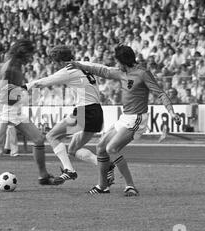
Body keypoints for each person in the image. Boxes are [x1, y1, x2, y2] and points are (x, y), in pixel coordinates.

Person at [68, 45, 181, 195]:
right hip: (125, 117)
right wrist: (79, 65)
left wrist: (172, 112)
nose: (117, 64)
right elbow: (103, 71)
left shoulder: (143, 73)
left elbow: (160, 93)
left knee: (112, 149)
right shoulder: (122, 72)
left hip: (137, 119)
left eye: (118, 61)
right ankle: (102, 186)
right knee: (101, 147)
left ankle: (130, 186)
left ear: (123, 61)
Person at [0, 39, 63, 190]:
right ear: (23, 53)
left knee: (38, 139)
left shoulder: (15, 64)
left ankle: (43, 176)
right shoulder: (10, 68)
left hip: (13, 107)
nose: (31, 57)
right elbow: (4, 95)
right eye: (30, 54)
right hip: (5, 108)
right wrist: (25, 92)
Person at [27, 45, 113, 183]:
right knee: (73, 150)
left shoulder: (68, 70)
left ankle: (69, 170)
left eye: (55, 62)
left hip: (85, 112)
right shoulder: (84, 65)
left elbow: (43, 82)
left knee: (52, 136)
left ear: (60, 61)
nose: (55, 65)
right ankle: (106, 166)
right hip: (97, 112)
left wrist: (24, 86)